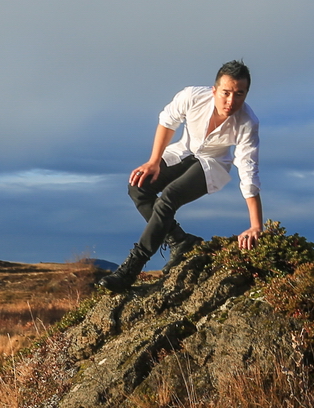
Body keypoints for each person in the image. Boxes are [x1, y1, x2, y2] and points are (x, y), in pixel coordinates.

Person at [100, 61, 262, 293]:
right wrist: (154, 161)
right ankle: (180, 241)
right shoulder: (192, 96)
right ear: (214, 90)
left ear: (246, 94)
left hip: (212, 164)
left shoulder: (248, 122)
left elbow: (248, 171)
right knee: (138, 187)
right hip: (183, 151)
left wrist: (256, 225)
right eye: (226, 93)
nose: (231, 101)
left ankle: (131, 269)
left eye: (239, 94)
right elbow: (167, 121)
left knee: (170, 196)